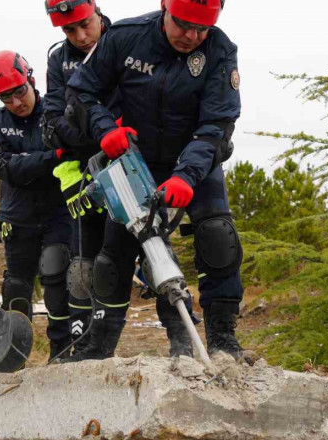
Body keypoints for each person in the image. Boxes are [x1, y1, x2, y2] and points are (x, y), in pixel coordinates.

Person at [67, 0, 246, 359]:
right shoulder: (125, 38)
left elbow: (216, 125)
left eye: (202, 28)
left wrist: (186, 175)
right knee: (115, 254)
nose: (192, 36)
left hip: (195, 159)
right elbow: (81, 92)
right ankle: (99, 347)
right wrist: (104, 129)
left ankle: (223, 340)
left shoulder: (221, 51)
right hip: (134, 159)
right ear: (165, 7)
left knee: (217, 236)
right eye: (183, 24)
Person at [0, 50, 75, 361]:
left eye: (20, 92)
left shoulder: (57, 110)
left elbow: (69, 154)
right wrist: (52, 158)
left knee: (57, 277)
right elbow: (4, 167)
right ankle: (13, 354)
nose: (16, 102)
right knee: (17, 288)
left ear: (31, 81)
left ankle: (61, 353)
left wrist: (25, 164)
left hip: (58, 212)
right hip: (17, 216)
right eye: (6, 97)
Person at [42, 0, 122, 361]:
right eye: (69, 30)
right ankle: (86, 342)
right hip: (86, 164)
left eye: (84, 25)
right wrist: (93, 134)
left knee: (150, 253)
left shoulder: (124, 41)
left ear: (98, 11)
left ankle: (180, 336)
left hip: (129, 156)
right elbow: (54, 123)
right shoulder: (59, 60)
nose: (80, 36)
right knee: (85, 263)